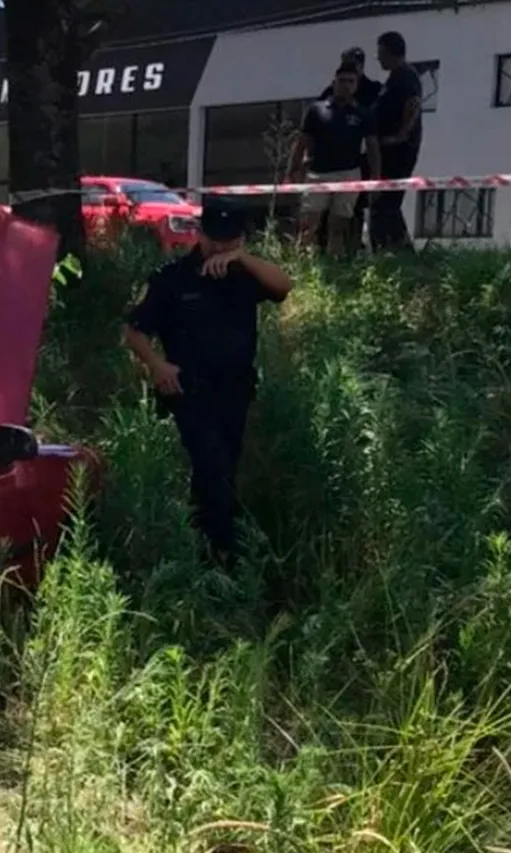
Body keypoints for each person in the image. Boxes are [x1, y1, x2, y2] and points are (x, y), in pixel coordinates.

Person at [120, 197, 293, 568]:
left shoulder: (245, 274)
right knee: (213, 469)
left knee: (222, 470)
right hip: (190, 392)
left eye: (230, 240)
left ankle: (203, 548)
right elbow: (134, 332)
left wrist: (242, 259)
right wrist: (157, 365)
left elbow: (284, 287)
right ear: (199, 234)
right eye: (214, 238)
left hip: (235, 391)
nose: (220, 246)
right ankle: (227, 557)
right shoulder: (172, 279)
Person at [290, 61, 382, 257]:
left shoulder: (363, 114)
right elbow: (302, 142)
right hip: (318, 174)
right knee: (308, 224)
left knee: (338, 226)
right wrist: (293, 169)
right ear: (334, 82)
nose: (346, 85)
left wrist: (375, 178)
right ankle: (300, 264)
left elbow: (373, 148)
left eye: (351, 81)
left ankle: (334, 264)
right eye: (342, 81)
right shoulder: (316, 110)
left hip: (349, 174)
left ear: (356, 85)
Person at [318, 46, 384, 253]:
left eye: (354, 63)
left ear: (362, 66)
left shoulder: (373, 89)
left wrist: (375, 174)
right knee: (326, 209)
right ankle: (326, 250)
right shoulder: (331, 91)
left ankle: (354, 248)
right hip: (331, 158)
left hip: (360, 157)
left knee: (356, 208)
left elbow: (376, 130)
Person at [369, 31, 424, 250]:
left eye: (381, 53)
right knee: (385, 203)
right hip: (390, 148)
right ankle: (393, 247)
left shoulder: (406, 76)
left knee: (387, 203)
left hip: (399, 151)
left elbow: (413, 106)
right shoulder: (395, 77)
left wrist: (400, 136)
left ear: (392, 53)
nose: (379, 58)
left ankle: (397, 249)